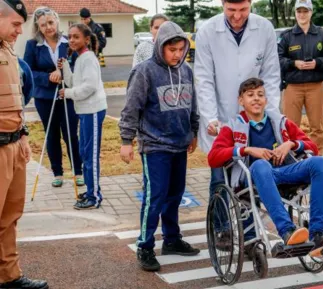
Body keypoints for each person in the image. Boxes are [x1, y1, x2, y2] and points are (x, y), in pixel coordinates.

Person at [208, 78, 323, 257]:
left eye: (260, 95)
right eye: (250, 95)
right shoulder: (232, 126)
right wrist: (246, 149)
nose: (256, 99)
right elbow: (213, 158)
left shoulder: (280, 121)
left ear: (266, 100)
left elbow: (312, 146)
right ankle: (287, 231)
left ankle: (318, 233)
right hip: (255, 176)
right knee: (260, 165)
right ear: (241, 101)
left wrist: (290, 144)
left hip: (285, 172)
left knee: (320, 163)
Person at [194, 0, 281, 254]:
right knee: (220, 176)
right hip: (221, 118)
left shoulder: (264, 28)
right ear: (222, 4)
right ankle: (221, 227)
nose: (237, 16)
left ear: (250, 4)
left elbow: (272, 74)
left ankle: (250, 234)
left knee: (249, 178)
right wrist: (210, 117)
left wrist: (271, 113)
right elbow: (204, 78)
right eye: (231, 10)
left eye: (243, 10)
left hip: (255, 116)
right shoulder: (208, 31)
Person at [119, 21, 200, 272]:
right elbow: (131, 107)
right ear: (160, 47)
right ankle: (145, 245)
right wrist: (126, 140)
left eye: (180, 49)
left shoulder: (186, 70)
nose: (176, 54)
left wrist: (193, 131)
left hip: (180, 144)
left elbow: (192, 104)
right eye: (171, 49)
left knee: (175, 195)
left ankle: (172, 239)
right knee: (155, 197)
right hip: (154, 146)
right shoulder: (145, 71)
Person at [0, 1, 48, 288]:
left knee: (10, 216)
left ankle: (9, 276)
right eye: (16, 24)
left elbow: (15, 101)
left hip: (14, 145)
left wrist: (23, 135)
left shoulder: (8, 48)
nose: (21, 30)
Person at [23, 6, 83, 188]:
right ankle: (57, 172)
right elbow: (28, 71)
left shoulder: (69, 41)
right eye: (43, 25)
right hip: (45, 97)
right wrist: (48, 77)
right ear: (38, 27)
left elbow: (79, 66)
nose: (48, 27)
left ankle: (78, 171)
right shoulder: (32, 45)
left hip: (69, 95)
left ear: (56, 21)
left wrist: (64, 72)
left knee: (71, 133)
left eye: (50, 22)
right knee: (52, 134)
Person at [58, 23, 108, 209]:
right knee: (84, 153)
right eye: (69, 37)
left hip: (93, 110)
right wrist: (65, 68)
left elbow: (89, 87)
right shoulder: (79, 59)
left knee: (91, 154)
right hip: (85, 111)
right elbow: (72, 82)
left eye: (76, 37)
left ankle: (94, 196)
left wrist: (68, 94)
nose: (71, 40)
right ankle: (90, 190)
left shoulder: (88, 59)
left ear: (86, 39)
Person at [278, 0, 323, 156]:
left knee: (316, 127)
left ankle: (316, 160)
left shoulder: (322, 34)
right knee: (290, 127)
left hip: (316, 86)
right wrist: (294, 63)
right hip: (292, 87)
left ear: (311, 12)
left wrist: (317, 63)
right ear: (295, 13)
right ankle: (292, 161)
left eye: (305, 11)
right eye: (299, 11)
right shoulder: (287, 36)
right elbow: (278, 59)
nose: (302, 15)